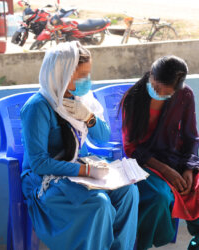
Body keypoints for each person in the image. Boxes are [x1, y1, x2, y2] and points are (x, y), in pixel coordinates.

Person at [20, 41, 139, 250]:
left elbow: (103, 136)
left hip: (79, 169)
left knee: (129, 192)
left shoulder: (81, 99)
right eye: (81, 75)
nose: (87, 80)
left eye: (88, 74)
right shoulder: (38, 107)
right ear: (62, 74)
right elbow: (39, 163)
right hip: (47, 179)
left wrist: (88, 116)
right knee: (99, 204)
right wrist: (86, 170)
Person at [121, 55, 199, 250]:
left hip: (177, 160)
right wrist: (166, 170)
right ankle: (141, 245)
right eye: (159, 89)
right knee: (159, 197)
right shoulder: (133, 98)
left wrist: (188, 169)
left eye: (168, 94)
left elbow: (191, 136)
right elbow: (131, 147)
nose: (162, 95)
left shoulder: (184, 95)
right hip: (146, 162)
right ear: (151, 75)